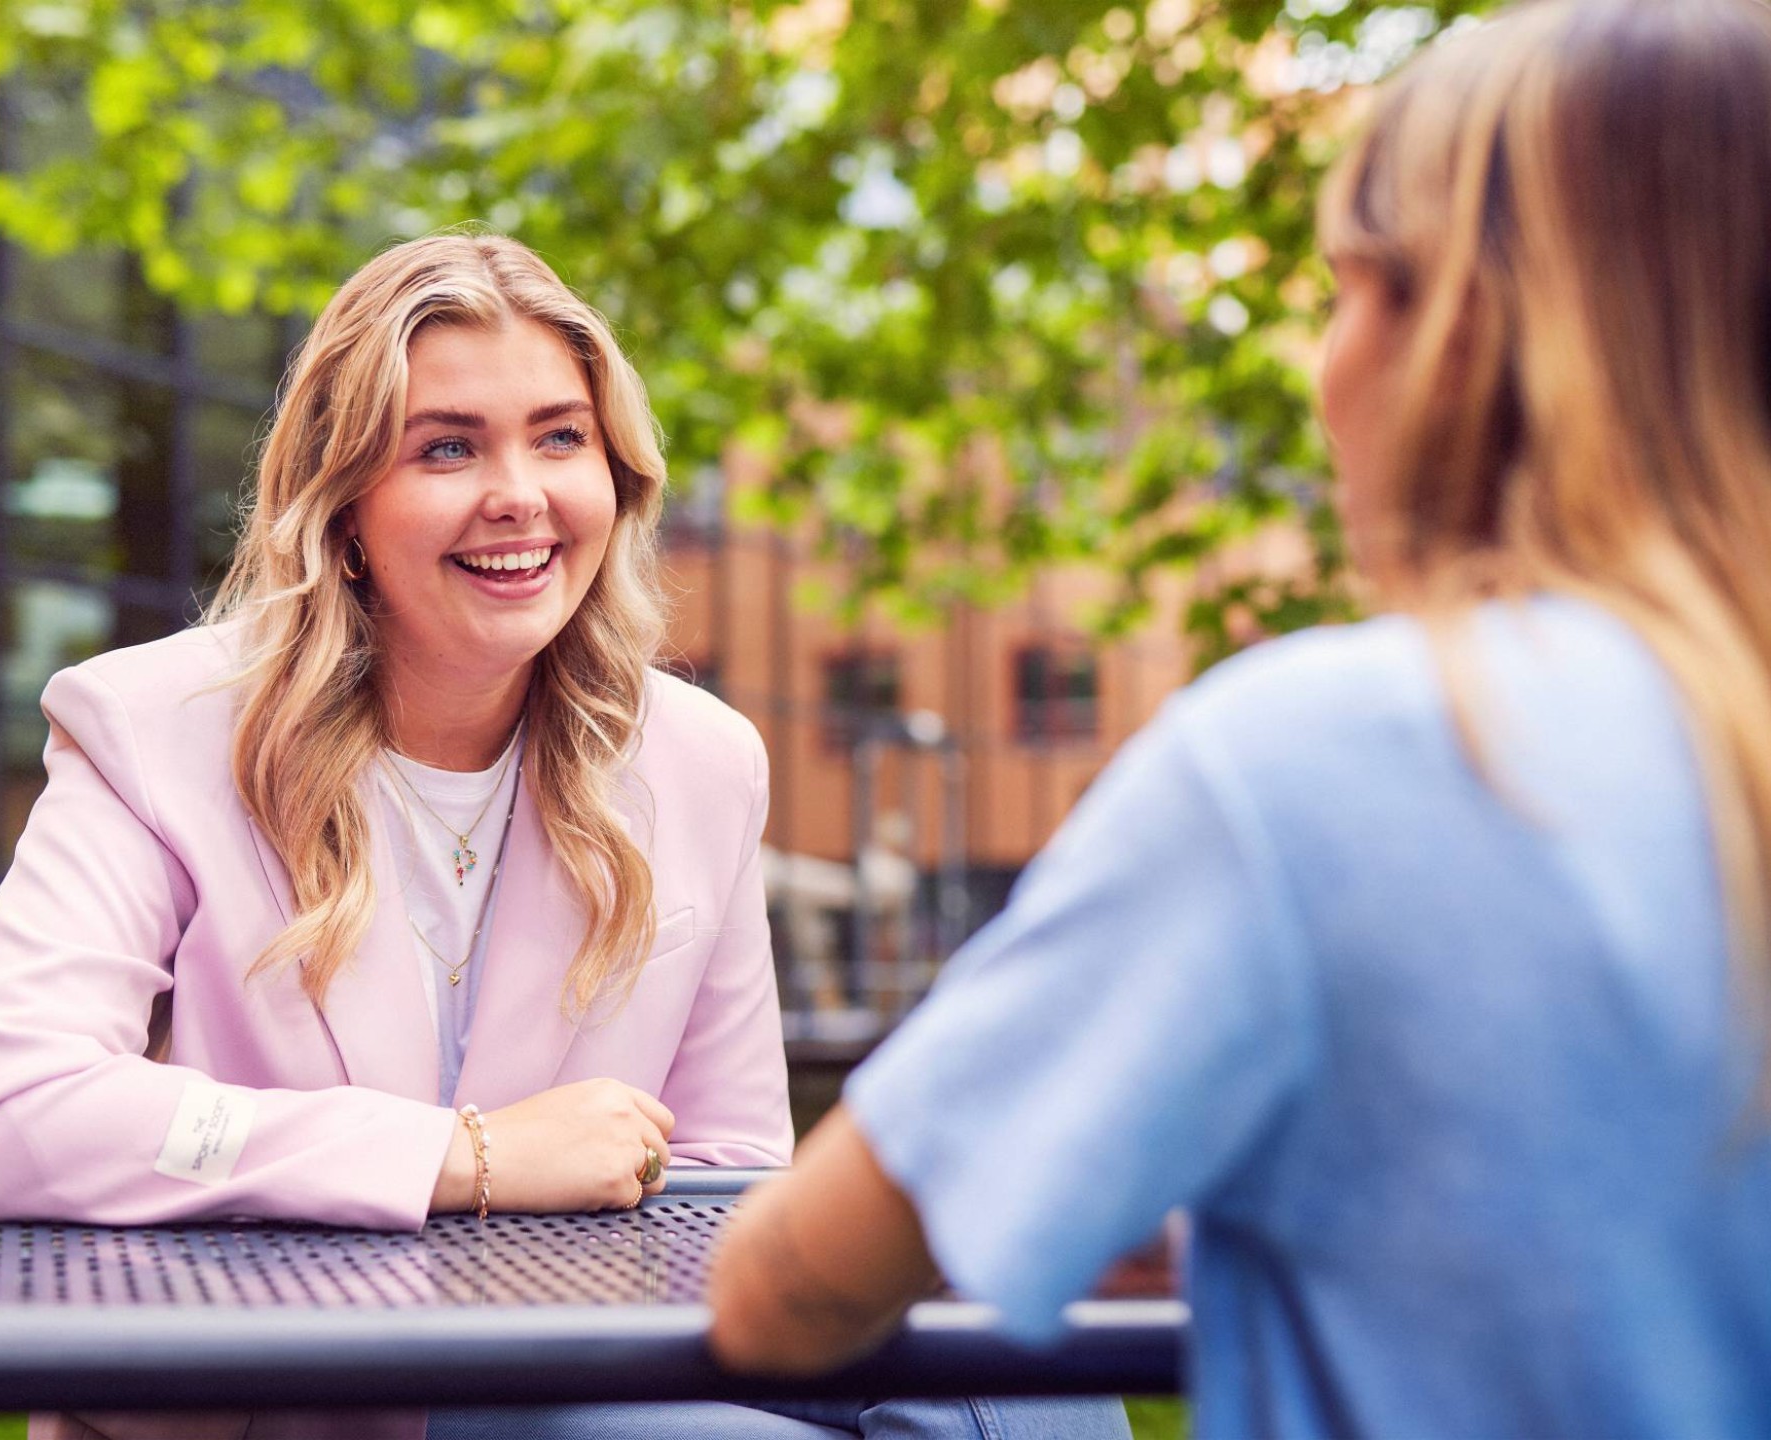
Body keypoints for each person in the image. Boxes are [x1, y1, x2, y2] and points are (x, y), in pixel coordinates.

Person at [705, 1, 1771, 1435]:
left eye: (1345, 288)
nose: (1325, 367)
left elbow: (784, 1293)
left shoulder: (1335, 759)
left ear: (1454, 330)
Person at [0, 233, 1125, 1440]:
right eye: (448, 447)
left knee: (1022, 1367)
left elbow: (722, 1171)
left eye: (560, 437)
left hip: (573, 1346)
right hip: (295, 1386)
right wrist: (465, 1156)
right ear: (343, 509)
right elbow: (9, 1109)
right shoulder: (156, 729)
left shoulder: (697, 761)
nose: (521, 492)